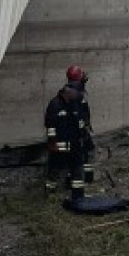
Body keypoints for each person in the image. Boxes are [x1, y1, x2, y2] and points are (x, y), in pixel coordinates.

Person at [44, 65, 95, 203]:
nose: (79, 95)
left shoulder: (75, 102)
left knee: (77, 168)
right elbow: (50, 126)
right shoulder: (55, 105)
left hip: (74, 143)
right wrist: (52, 142)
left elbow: (81, 118)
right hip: (60, 145)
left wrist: (84, 134)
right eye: (76, 92)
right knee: (55, 168)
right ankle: (50, 190)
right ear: (68, 91)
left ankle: (78, 195)